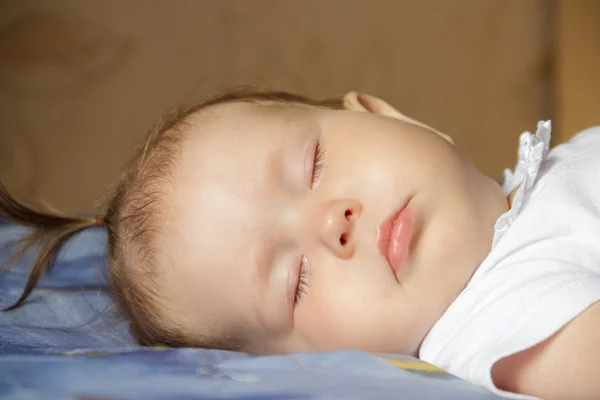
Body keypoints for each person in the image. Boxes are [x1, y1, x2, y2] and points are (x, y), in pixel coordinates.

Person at [1, 89, 599, 400]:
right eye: (296, 282)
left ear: (386, 116)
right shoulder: (500, 327)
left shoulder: (548, 179)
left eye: (313, 165)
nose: (332, 224)